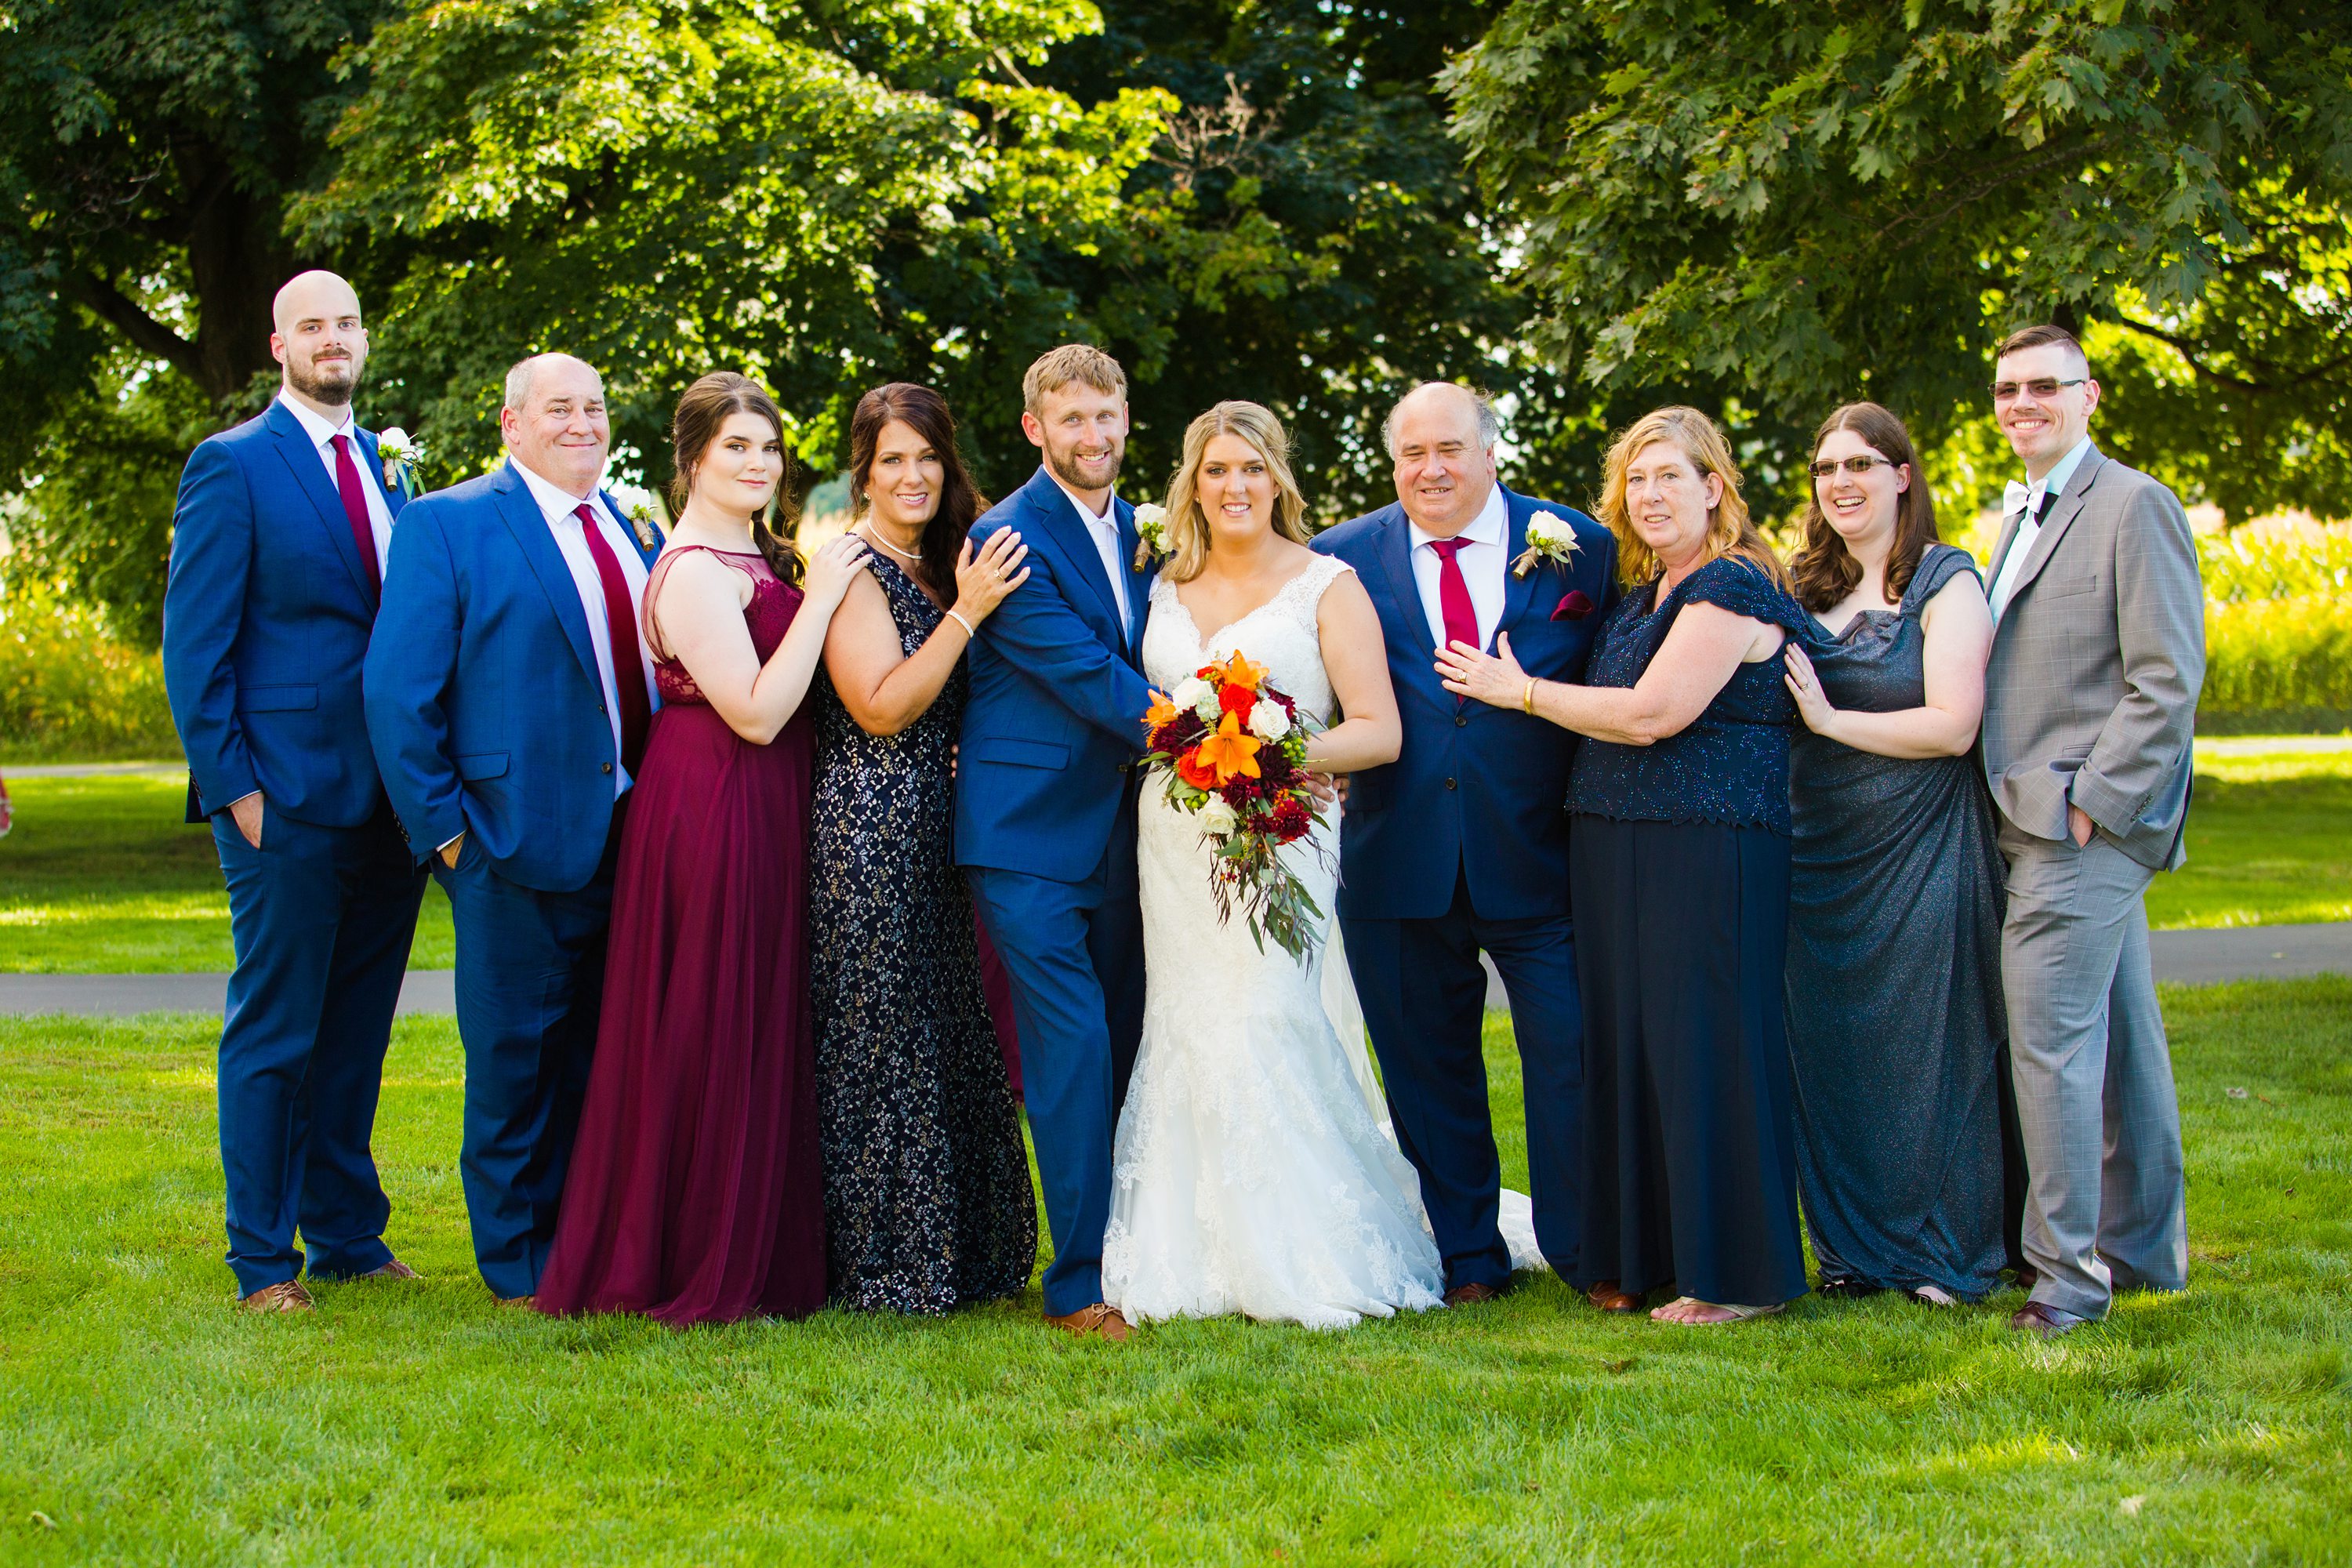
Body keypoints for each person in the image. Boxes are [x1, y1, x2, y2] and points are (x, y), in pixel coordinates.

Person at [1437, 405, 1810, 1326]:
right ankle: (1649, 1256)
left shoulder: (1730, 585)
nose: (1650, 496)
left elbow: (1652, 714)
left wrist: (1517, 690)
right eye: (1637, 480)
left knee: (1706, 1051)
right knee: (1636, 1054)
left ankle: (1734, 1277)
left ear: (1715, 487)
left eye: (1671, 477)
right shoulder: (1647, 592)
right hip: (1616, 846)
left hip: (1707, 847)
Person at [533, 373, 869, 1323]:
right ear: (691, 459)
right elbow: (759, 711)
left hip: (765, 797)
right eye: (737, 447)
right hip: (715, 800)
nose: (760, 463)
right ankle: (693, 1251)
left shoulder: (756, 556)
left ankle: (764, 1247)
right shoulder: (686, 569)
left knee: (757, 1008)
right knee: (713, 1015)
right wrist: (827, 589)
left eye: (769, 447)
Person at [1102, 400, 1443, 1328]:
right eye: (1215, 470)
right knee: (1185, 1020)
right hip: (1173, 839)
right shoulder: (1158, 588)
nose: (1234, 486)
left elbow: (1377, 731)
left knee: (1267, 1012)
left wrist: (1270, 749)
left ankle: (1304, 1244)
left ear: (1277, 479)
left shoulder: (1326, 585)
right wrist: (1199, 742)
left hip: (1281, 831)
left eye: (1251, 468)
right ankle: (1193, 1247)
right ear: (1193, 485)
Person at [365, 353, 662, 1307]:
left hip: (630, 835)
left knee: (596, 1054)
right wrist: (449, 836)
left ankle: (584, 1244)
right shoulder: (446, 522)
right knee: (513, 1066)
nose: (583, 423)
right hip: (507, 839)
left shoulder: (630, 527)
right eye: (561, 409)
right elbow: (397, 694)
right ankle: (517, 1265)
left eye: (595, 407)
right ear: (511, 423)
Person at [1311, 383, 1617, 1305]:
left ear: (1491, 452)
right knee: (1425, 1068)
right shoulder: (1341, 557)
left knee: (1571, 1058)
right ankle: (1468, 1256)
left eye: (1449, 449)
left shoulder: (1580, 550)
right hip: (1395, 852)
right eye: (1412, 454)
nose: (1430, 469)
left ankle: (1589, 1250)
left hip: (1541, 851)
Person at [162, 270, 428, 1312]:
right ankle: (262, 1262)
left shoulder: (388, 468)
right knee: (277, 1032)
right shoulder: (231, 466)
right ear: (278, 346)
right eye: (311, 325)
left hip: (387, 802)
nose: (333, 339)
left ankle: (352, 1240)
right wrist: (237, 791)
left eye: (347, 323)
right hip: (283, 795)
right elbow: (194, 648)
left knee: (357, 1031)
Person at [1977, 324, 2202, 1339]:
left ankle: (2066, 1280)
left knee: (2050, 1049)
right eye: (2008, 390)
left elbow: (2167, 680)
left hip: (2081, 829)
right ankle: (2148, 1252)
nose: (2023, 404)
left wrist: (2093, 803)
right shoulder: (2013, 514)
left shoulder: (2133, 505)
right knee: (2125, 1046)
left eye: (2044, 387)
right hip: (2027, 816)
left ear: (2089, 395)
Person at [811, 383, 1038, 1314]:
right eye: (891, 459)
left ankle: (969, 1253)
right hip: (868, 824)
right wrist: (967, 614)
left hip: (942, 823)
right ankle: (889, 1266)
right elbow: (880, 703)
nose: (912, 475)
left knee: (950, 1028)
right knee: (883, 1041)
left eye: (927, 457)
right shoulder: (851, 565)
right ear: (863, 470)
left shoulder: (948, 558)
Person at [1777, 401, 2009, 1306]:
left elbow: (1954, 726)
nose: (1842, 481)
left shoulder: (1945, 581)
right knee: (1830, 1053)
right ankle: (1851, 1252)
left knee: (1929, 1048)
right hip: (1813, 856)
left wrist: (1833, 720)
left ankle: (1945, 1252)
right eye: (1827, 467)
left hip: (1918, 850)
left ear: (1903, 475)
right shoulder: (1801, 585)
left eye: (1862, 463)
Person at [956, 344, 1156, 1342]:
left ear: (1127, 419)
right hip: (1027, 837)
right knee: (1073, 1051)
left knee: (1128, 1042)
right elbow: (1088, 675)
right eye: (1071, 419)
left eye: (1106, 415)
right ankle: (1075, 1284)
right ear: (1036, 428)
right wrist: (1237, 749)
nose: (1093, 435)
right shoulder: (1007, 537)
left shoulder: (1145, 530)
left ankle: (1134, 1246)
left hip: (1129, 832)